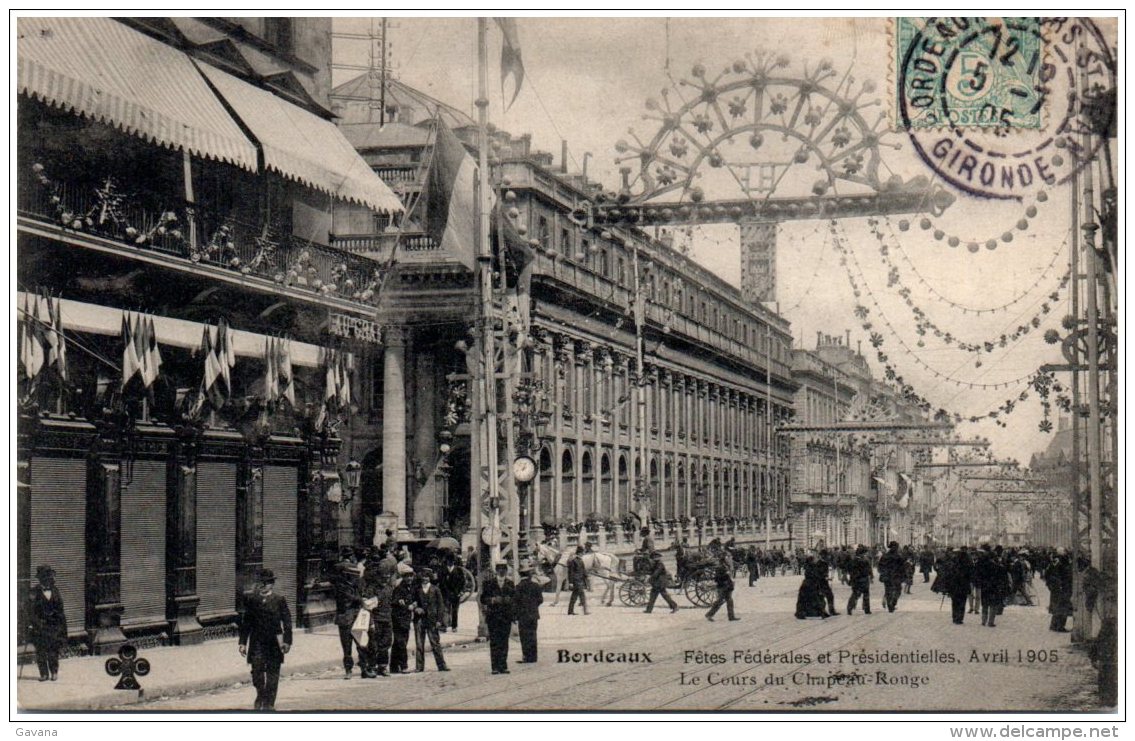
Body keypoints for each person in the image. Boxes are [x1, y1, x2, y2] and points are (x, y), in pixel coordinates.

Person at [238, 569, 292, 711]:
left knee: (273, 674)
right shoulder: (252, 600)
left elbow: (287, 622)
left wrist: (287, 641)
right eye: (262, 582)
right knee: (257, 673)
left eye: (267, 583)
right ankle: (260, 695)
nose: (264, 585)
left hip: (275, 642)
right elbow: (246, 623)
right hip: (257, 643)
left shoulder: (279, 600)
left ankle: (269, 703)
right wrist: (242, 642)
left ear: (272, 584)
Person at [28, 565, 67, 682]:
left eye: (50, 577)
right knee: (40, 651)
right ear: (41, 579)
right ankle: (44, 674)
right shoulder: (34, 592)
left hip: (53, 626)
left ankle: (54, 671)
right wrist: (36, 624)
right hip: (39, 626)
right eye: (47, 577)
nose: (50, 579)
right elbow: (31, 611)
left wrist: (60, 624)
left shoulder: (55, 590)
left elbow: (60, 608)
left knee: (53, 650)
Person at [331, 549, 363, 678]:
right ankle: (351, 669)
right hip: (348, 615)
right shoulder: (342, 586)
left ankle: (357, 668)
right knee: (354, 644)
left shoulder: (351, 584)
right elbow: (352, 597)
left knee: (352, 644)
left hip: (349, 615)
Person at [360, 556, 393, 677]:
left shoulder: (389, 588)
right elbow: (367, 606)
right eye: (383, 578)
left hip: (387, 619)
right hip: (376, 620)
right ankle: (371, 666)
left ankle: (383, 666)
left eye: (387, 577)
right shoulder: (372, 589)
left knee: (386, 643)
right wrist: (371, 622)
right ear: (378, 577)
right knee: (373, 645)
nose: (385, 580)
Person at [480, 563, 516, 674]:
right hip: (493, 617)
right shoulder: (488, 584)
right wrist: (493, 600)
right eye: (499, 570)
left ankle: (503, 666)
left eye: (503, 570)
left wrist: (508, 600)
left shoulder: (510, 583)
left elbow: (515, 599)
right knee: (494, 642)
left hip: (505, 617)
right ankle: (494, 667)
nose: (501, 572)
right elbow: (482, 599)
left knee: (504, 642)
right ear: (496, 571)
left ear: (506, 571)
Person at [412, 568, 449, 672]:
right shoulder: (417, 589)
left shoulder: (435, 589)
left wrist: (439, 620)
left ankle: (441, 665)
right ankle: (419, 667)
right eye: (423, 577)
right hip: (419, 619)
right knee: (419, 644)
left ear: (430, 578)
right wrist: (416, 608)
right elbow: (412, 601)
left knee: (435, 643)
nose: (425, 579)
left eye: (427, 577)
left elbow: (441, 606)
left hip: (432, 619)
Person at [973, 545, 1010, 628]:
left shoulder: (982, 565)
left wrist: (980, 583)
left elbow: (978, 575)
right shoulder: (997, 567)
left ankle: (983, 620)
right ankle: (990, 621)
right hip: (994, 587)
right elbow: (1003, 575)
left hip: (985, 587)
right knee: (993, 605)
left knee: (985, 604)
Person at [389, 564, 416, 674]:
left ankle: (393, 666)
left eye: (411, 576)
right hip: (398, 619)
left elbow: (414, 599)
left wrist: (414, 603)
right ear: (403, 577)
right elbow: (395, 602)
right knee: (401, 642)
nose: (409, 578)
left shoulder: (411, 588)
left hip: (406, 619)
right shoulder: (399, 589)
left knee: (398, 642)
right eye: (407, 576)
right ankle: (403, 665)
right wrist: (406, 606)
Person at [515, 566, 544, 663]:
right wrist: (534, 607)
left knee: (524, 636)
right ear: (529, 575)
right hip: (534, 615)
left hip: (522, 616)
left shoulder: (518, 587)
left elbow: (515, 602)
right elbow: (540, 600)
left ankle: (526, 657)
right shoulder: (536, 586)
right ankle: (533, 657)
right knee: (533, 635)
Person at [1044, 550, 1073, 632]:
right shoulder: (1066, 568)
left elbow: (1048, 575)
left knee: (1057, 607)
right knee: (1064, 608)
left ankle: (1053, 625)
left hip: (1057, 589)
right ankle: (1060, 626)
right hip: (1064, 590)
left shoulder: (1055, 565)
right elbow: (1068, 579)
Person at [795, 554, 830, 619]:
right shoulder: (812, 567)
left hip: (806, 585)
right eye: (814, 559)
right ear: (811, 561)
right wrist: (824, 577)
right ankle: (820, 612)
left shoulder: (808, 566)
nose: (815, 561)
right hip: (811, 585)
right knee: (817, 598)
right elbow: (815, 575)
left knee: (804, 600)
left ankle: (804, 612)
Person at [705, 555, 739, 622]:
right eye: (727, 558)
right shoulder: (720, 567)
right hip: (722, 587)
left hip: (727, 586)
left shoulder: (725, 566)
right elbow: (717, 578)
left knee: (729, 601)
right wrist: (726, 576)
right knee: (720, 601)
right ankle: (709, 614)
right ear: (724, 560)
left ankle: (731, 617)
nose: (729, 559)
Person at [877, 541, 906, 613]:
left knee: (888, 591)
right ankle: (892, 604)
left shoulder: (884, 556)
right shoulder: (898, 557)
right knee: (898, 590)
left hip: (887, 577)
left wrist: (883, 574)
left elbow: (880, 567)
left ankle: (890, 605)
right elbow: (902, 568)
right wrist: (904, 576)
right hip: (896, 577)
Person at [440, 555, 466, 632]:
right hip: (445, 593)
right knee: (445, 610)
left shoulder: (458, 570)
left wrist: (461, 591)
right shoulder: (443, 570)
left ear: (454, 561)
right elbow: (441, 582)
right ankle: (445, 625)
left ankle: (454, 626)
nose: (450, 562)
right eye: (448, 560)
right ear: (446, 561)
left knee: (455, 611)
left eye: (451, 560)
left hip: (456, 593)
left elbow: (463, 582)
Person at [846, 545, 873, 615]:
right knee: (866, 594)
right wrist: (871, 576)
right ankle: (867, 609)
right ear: (863, 553)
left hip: (856, 580)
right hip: (864, 579)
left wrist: (851, 579)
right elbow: (869, 570)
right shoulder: (865, 560)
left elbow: (850, 570)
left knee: (855, 594)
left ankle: (849, 607)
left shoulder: (853, 560)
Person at [567, 546, 590, 616]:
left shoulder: (580, 560)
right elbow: (570, 572)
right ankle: (585, 611)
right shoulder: (573, 561)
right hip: (576, 581)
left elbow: (583, 570)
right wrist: (570, 582)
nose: (583, 554)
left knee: (574, 596)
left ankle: (570, 611)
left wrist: (587, 576)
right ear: (579, 553)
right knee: (582, 595)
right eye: (582, 553)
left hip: (580, 580)